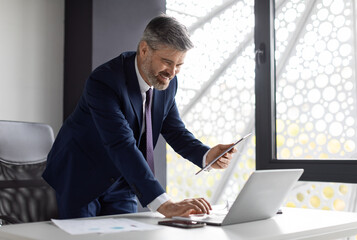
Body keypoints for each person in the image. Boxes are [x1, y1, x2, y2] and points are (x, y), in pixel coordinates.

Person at [43, 14, 236, 219]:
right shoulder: (104, 81)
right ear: (144, 50)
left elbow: (174, 130)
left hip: (121, 176)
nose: (172, 72)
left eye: (179, 65)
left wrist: (206, 156)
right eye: (167, 62)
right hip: (80, 175)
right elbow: (121, 143)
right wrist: (165, 204)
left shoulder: (167, 84)